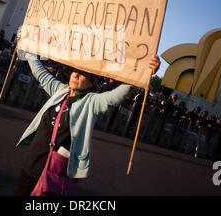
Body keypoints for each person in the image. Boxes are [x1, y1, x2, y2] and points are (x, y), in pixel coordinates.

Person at [14, 52, 161, 196]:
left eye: (82, 74)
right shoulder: (60, 90)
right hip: (30, 166)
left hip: (55, 174)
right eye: (75, 71)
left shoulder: (91, 102)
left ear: (92, 82)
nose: (75, 75)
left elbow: (115, 97)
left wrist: (143, 72)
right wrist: (28, 51)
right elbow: (40, 73)